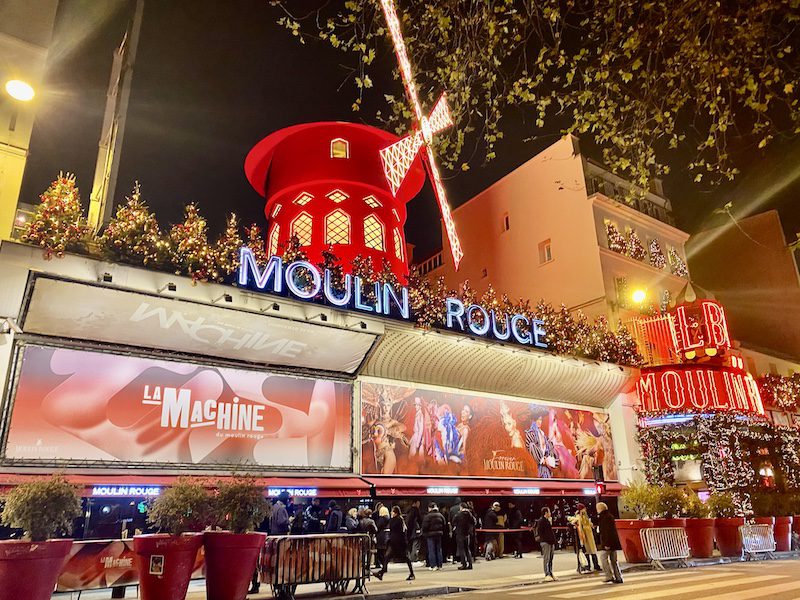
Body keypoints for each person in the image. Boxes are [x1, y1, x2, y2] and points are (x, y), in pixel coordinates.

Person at [374, 506, 415, 581]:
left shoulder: (397, 520)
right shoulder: (399, 520)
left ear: (395, 512)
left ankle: (412, 573)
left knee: (405, 558)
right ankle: (382, 571)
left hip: (398, 543)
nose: (391, 513)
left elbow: (397, 531)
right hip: (395, 542)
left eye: (392, 511)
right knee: (387, 556)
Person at [597, 502, 623, 584]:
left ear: (600, 509)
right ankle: (618, 577)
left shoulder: (603, 518)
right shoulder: (610, 516)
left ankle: (609, 576)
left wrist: (606, 544)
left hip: (608, 543)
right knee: (614, 561)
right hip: (613, 542)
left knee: (603, 558)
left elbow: (606, 532)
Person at [572, 503, 601, 572]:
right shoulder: (579, 516)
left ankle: (595, 564)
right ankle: (589, 565)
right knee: (587, 551)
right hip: (584, 536)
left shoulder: (586, 516)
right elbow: (577, 523)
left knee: (592, 550)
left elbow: (589, 524)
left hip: (589, 535)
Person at [421, 502, 446, 570]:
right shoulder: (440, 515)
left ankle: (433, 565)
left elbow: (424, 526)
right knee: (438, 550)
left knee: (431, 550)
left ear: (430, 508)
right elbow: (444, 524)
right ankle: (439, 565)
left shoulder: (428, 516)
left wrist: (424, 532)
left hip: (430, 535)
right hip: (439, 535)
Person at [452, 503, 475, 570]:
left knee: (461, 550)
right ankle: (470, 564)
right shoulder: (470, 514)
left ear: (461, 507)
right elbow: (474, 522)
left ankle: (464, 564)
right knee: (467, 549)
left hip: (460, 533)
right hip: (467, 534)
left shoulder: (458, 514)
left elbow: (453, 521)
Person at [536, 507, 557, 582]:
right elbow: (542, 532)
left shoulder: (548, 521)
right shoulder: (541, 521)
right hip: (546, 542)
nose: (550, 513)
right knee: (547, 559)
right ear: (546, 513)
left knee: (551, 558)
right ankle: (547, 574)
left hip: (550, 542)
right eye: (549, 512)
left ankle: (551, 573)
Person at [375, 505, 391, 570]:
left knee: (379, 551)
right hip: (386, 536)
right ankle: (384, 564)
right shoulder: (388, 518)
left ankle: (382, 564)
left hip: (381, 536)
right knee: (384, 551)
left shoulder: (382, 519)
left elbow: (378, 527)